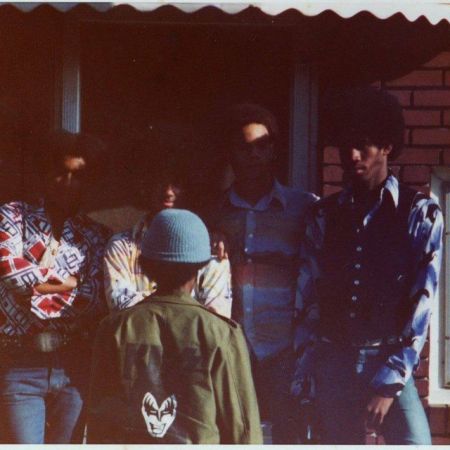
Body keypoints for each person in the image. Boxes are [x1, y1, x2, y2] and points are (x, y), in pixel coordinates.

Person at [293, 87, 443, 444]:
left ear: (387, 145)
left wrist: (390, 384)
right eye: (346, 144)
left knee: (417, 442)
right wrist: (304, 381)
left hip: (388, 360)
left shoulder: (420, 213)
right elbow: (307, 302)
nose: (353, 155)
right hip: (333, 365)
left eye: (364, 145)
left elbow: (423, 304)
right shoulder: (323, 216)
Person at [88, 209, 262, 444]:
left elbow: (100, 422)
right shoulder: (222, 333)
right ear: (200, 266)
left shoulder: (113, 329)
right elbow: (243, 429)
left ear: (146, 265)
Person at [211, 103, 317, 443]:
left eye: (263, 145)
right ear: (231, 152)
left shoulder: (305, 208)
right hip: (234, 352)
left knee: (290, 438)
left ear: (274, 150)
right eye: (245, 146)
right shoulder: (214, 214)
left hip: (286, 353)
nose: (254, 154)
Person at [0, 130, 109, 443]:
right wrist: (75, 284)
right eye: (61, 173)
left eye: (78, 175)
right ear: (46, 174)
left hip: (72, 365)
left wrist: (49, 283)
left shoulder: (96, 235)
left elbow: (100, 297)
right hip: (20, 363)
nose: (68, 182)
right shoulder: (13, 216)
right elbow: (10, 272)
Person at [104, 170, 232, 317]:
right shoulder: (122, 246)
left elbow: (215, 320)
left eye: (176, 183)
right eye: (160, 183)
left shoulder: (212, 248)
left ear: (188, 189)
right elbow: (122, 311)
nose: (168, 192)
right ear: (146, 187)